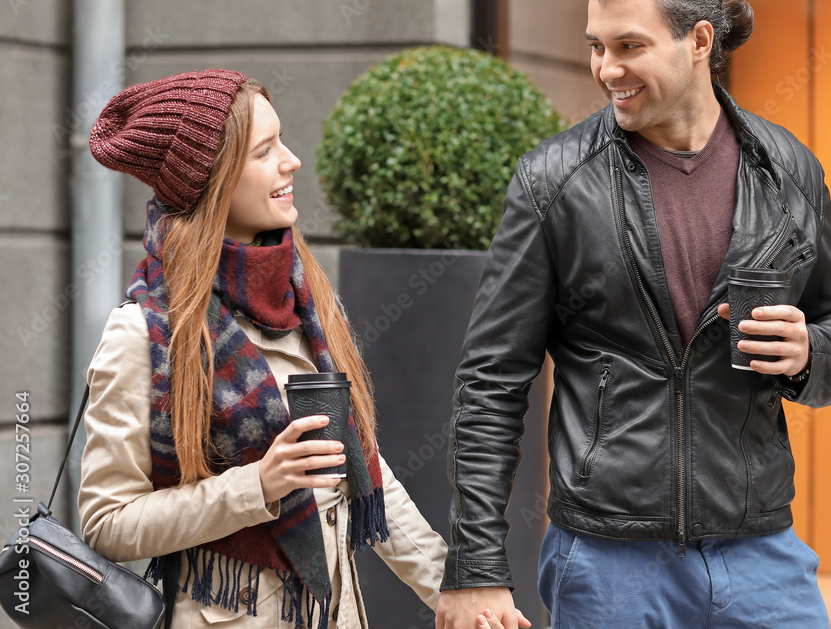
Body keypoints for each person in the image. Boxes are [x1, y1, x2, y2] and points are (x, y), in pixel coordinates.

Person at [435, 0, 831, 628]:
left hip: (760, 552)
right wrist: (476, 566)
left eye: (629, 46)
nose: (607, 68)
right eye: (596, 47)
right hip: (608, 560)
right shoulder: (553, 182)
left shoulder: (788, 170)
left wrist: (811, 349)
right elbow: (491, 380)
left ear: (699, 40)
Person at [78, 69, 526, 629]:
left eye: (281, 140)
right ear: (211, 181)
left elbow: (361, 469)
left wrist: (453, 591)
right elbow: (108, 522)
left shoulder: (304, 298)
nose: (291, 161)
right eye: (264, 151)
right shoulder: (143, 335)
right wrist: (257, 486)